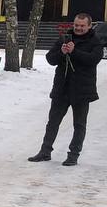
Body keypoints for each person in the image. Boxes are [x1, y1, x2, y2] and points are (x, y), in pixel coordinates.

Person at [28, 13, 102, 166]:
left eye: (82, 26)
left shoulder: (95, 42)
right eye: (76, 25)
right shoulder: (65, 38)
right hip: (62, 88)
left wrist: (74, 52)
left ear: (89, 26)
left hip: (82, 91)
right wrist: (61, 52)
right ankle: (45, 151)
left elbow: (93, 60)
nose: (79, 28)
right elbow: (50, 59)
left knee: (79, 125)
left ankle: (73, 154)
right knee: (53, 122)